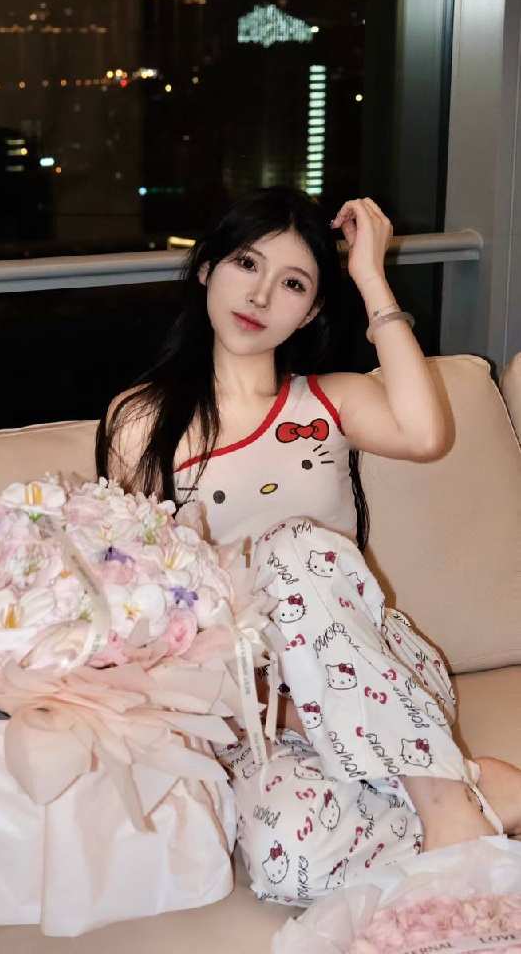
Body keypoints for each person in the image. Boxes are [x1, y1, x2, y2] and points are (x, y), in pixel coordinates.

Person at [96, 186, 521, 904]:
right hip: (252, 705)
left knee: (294, 548)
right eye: (246, 264)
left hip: (382, 678)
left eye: (292, 283)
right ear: (207, 269)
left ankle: (442, 800)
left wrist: (371, 277)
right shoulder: (141, 424)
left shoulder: (330, 400)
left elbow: (426, 435)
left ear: (313, 308)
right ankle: (480, 795)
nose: (261, 295)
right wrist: (283, 712)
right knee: (288, 861)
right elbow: (142, 608)